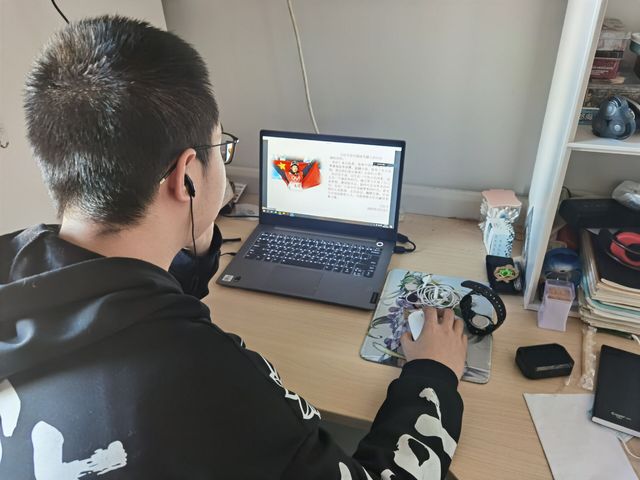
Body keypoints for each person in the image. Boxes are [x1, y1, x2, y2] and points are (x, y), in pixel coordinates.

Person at [0, 16, 468, 479]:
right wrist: (433, 373)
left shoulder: (18, 269)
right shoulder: (215, 382)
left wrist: (189, 234)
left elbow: (129, 298)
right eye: (220, 148)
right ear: (187, 174)